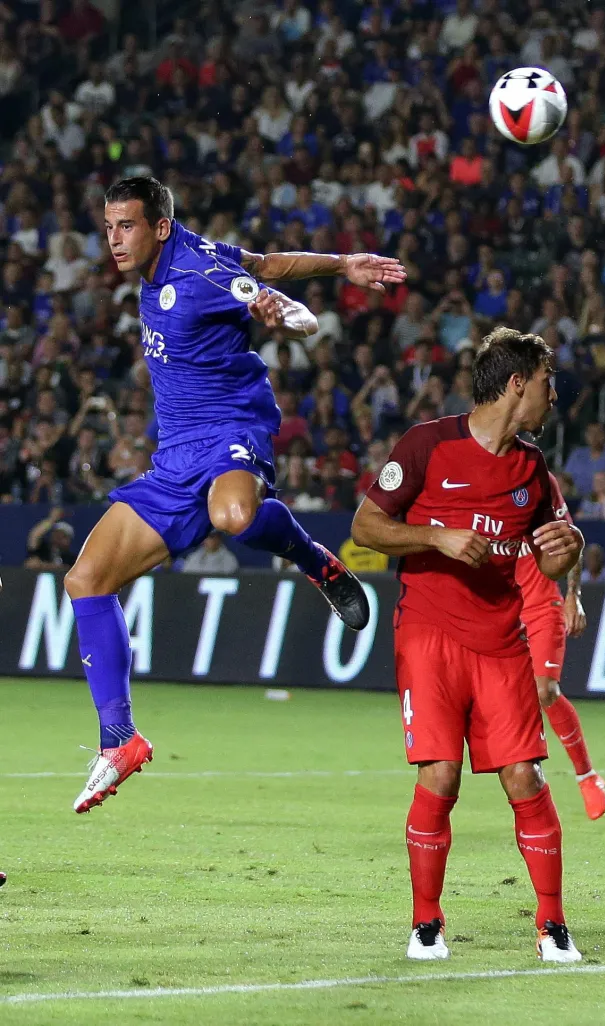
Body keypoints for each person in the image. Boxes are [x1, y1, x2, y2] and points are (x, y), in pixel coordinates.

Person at [68, 177, 392, 814]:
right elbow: (263, 261)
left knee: (234, 515)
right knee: (85, 580)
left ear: (160, 227)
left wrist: (286, 317)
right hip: (174, 458)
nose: (114, 240)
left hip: (231, 430)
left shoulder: (200, 271)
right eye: (108, 227)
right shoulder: (179, 259)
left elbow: (286, 306)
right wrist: (339, 264)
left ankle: (315, 560)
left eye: (126, 226)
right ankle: (119, 740)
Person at [350, 328, 586, 964]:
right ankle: (426, 924)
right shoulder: (427, 445)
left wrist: (569, 556)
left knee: (525, 777)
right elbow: (366, 526)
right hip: (429, 633)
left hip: (502, 640)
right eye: (547, 383)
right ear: (516, 384)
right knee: (441, 774)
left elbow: (554, 554)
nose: (553, 396)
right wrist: (437, 536)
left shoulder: (533, 469)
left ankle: (552, 924)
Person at [515, 479, 605, 821]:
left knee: (546, 690)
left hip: (542, 607)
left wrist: (574, 595)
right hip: (499, 611)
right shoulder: (473, 490)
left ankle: (587, 776)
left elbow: (569, 539)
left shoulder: (536, 482)